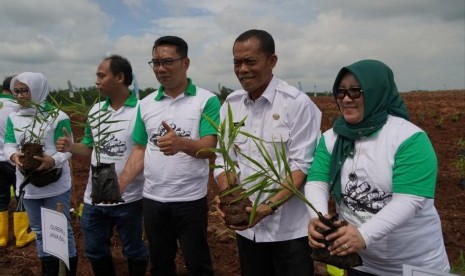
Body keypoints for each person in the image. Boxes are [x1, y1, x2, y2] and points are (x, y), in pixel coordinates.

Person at [305, 59, 450, 275]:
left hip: (414, 263)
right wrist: (318, 217)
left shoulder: (408, 138)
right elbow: (318, 180)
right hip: (361, 262)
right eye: (340, 91)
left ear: (376, 92)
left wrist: (364, 235)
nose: (346, 98)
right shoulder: (332, 138)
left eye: (356, 91)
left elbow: (411, 199)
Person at [214, 29, 322, 276]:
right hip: (247, 230)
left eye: (250, 62)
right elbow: (224, 158)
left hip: (289, 231)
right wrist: (229, 194)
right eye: (237, 62)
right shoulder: (231, 105)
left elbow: (301, 166)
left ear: (272, 61)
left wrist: (267, 208)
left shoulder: (296, 104)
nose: (242, 69)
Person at [118, 36, 219, 275]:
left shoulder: (206, 100)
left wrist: (181, 143)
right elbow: (140, 149)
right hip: (153, 200)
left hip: (190, 200)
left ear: (185, 63)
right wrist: (119, 185)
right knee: (160, 263)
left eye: (167, 61)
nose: (160, 68)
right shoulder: (146, 103)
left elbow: (210, 147)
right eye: (155, 63)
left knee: (198, 263)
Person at [56, 55, 148, 275]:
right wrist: (71, 146)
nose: (96, 80)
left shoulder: (142, 110)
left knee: (134, 250)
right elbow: (89, 147)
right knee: (95, 250)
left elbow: (144, 150)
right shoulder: (96, 111)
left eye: (101, 75)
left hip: (131, 197)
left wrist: (122, 184)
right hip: (95, 196)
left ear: (119, 77)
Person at [3, 72, 78, 275]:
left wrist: (52, 160)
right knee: (39, 232)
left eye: (24, 90)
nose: (19, 96)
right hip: (28, 184)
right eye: (16, 91)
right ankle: (49, 271)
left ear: (37, 90)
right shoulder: (13, 117)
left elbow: (69, 149)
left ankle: (66, 271)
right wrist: (14, 157)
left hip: (54, 184)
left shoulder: (58, 117)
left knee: (61, 231)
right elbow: (9, 144)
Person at [0, 76, 36, 248]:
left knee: (0, 197)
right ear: (13, 89)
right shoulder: (18, 109)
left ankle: (1, 238)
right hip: (14, 158)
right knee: (21, 193)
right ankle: (22, 235)